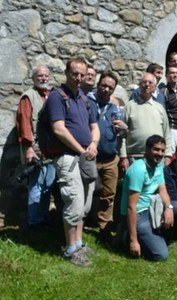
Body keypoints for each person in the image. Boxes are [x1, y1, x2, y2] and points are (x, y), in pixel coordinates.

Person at [46, 57, 100, 267]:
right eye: (74, 74)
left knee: (85, 204)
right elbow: (59, 128)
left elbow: (94, 126)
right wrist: (81, 150)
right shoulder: (57, 97)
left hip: (85, 155)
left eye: (82, 74)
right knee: (74, 201)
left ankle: (78, 244)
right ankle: (70, 249)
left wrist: (93, 144)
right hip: (67, 156)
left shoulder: (84, 99)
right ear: (67, 73)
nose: (78, 78)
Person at [87, 70, 128, 244]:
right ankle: (80, 223)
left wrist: (125, 129)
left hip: (111, 158)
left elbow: (123, 135)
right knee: (86, 193)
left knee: (109, 195)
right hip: (90, 157)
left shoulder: (116, 108)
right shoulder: (87, 103)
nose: (106, 89)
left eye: (110, 87)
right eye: (103, 85)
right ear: (98, 85)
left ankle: (104, 228)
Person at [120, 135, 174, 261]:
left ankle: (153, 237)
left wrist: (169, 208)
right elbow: (131, 206)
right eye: (156, 149)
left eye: (162, 150)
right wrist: (134, 241)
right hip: (138, 214)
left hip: (151, 209)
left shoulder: (158, 166)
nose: (159, 153)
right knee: (161, 255)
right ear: (147, 150)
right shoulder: (138, 170)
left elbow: (163, 190)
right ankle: (128, 236)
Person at [16, 65, 56, 228]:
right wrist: (29, 148)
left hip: (50, 150)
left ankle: (44, 217)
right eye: (40, 76)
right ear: (33, 78)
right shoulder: (28, 97)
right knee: (37, 186)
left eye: (46, 76)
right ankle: (35, 222)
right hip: (36, 150)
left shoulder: (51, 96)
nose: (43, 78)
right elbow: (24, 123)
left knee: (47, 185)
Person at [121, 73, 172, 169]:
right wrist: (123, 157)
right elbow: (122, 134)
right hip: (134, 156)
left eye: (150, 82)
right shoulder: (129, 106)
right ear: (140, 85)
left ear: (155, 87)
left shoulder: (159, 108)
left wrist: (168, 155)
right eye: (144, 82)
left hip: (157, 156)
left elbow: (167, 133)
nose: (147, 85)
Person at [159, 66, 177, 152]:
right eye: (172, 73)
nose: (175, 75)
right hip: (171, 129)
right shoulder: (163, 92)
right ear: (166, 76)